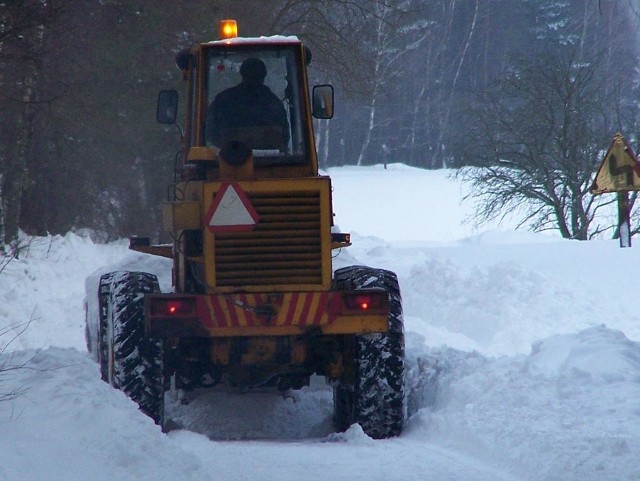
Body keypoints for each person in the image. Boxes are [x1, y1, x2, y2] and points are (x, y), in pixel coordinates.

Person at [206, 57, 290, 150]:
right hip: (273, 162)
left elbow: (210, 132)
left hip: (230, 160)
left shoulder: (223, 100)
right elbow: (284, 136)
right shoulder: (274, 103)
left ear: (242, 74)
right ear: (264, 75)